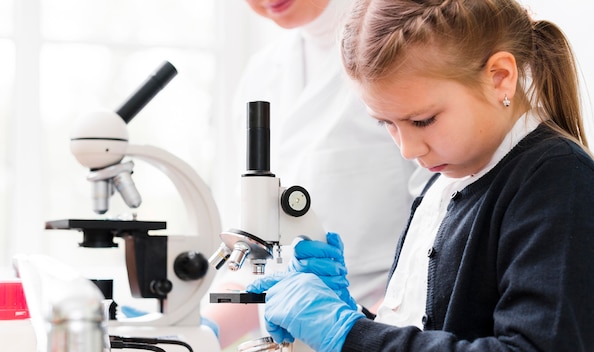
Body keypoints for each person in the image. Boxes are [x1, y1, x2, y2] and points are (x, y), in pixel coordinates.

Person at [245, 0, 594, 351]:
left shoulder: (558, 181)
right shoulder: (445, 182)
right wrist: (351, 314)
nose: (407, 150)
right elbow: (431, 330)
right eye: (386, 124)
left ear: (500, 77)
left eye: (422, 121)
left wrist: (351, 334)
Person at [205, 0, 420, 349]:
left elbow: (438, 234)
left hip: (389, 327)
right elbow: (254, 255)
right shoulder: (260, 73)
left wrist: (364, 332)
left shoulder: (404, 50)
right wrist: (197, 332)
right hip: (290, 329)